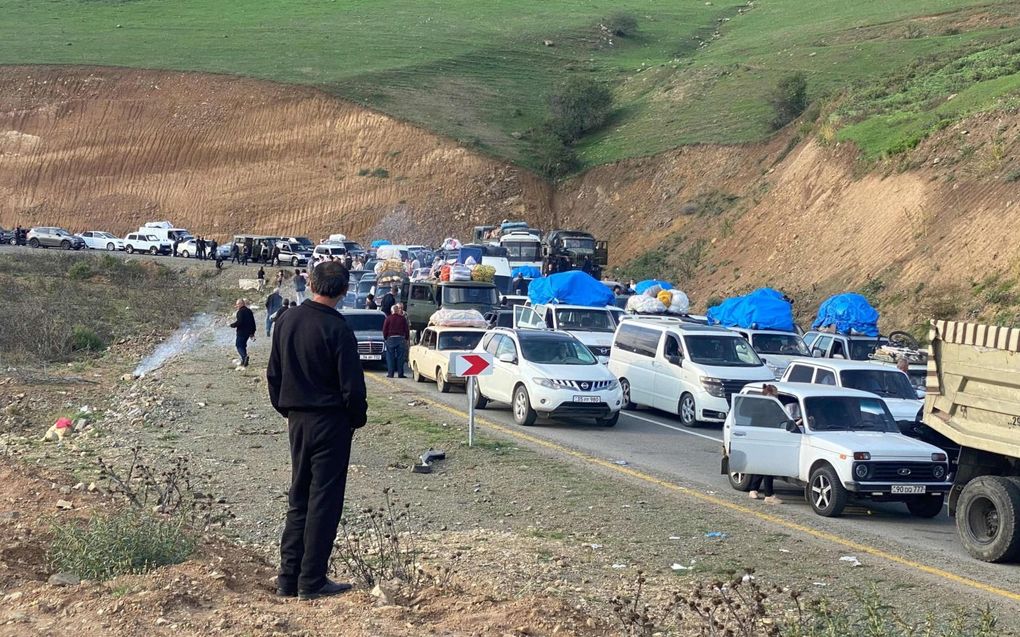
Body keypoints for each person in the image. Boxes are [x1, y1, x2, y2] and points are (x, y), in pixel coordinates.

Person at [267, 261, 367, 601]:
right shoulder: (339, 329)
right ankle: (311, 581)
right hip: (331, 422)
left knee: (299, 496)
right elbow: (352, 387)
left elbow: (273, 374)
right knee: (324, 500)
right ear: (343, 290)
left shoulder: (286, 320)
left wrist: (288, 410)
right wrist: (355, 419)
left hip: (297, 419)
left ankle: (287, 579)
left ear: (310, 283)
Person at [748, 385, 785, 504]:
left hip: (758, 438)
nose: (777, 397)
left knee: (760, 465)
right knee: (769, 467)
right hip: (769, 439)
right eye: (776, 395)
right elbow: (780, 421)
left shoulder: (757, 405)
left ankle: (753, 490)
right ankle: (769, 495)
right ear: (770, 394)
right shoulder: (772, 407)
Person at [382, 303, 410, 378]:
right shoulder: (402, 319)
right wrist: (406, 338)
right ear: (397, 310)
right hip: (400, 338)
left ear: (392, 311)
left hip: (390, 338)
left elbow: (385, 329)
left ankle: (390, 374)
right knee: (400, 357)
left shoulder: (388, 318)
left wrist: (385, 338)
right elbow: (406, 329)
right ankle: (400, 374)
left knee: (390, 357)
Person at [229, 299, 257, 368]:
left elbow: (239, 322)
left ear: (241, 304)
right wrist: (252, 332)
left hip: (241, 332)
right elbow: (253, 322)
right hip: (248, 332)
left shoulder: (240, 312)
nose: (236, 306)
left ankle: (244, 357)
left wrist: (232, 325)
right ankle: (244, 361)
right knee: (243, 345)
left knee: (238, 345)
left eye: (238, 304)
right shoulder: (249, 311)